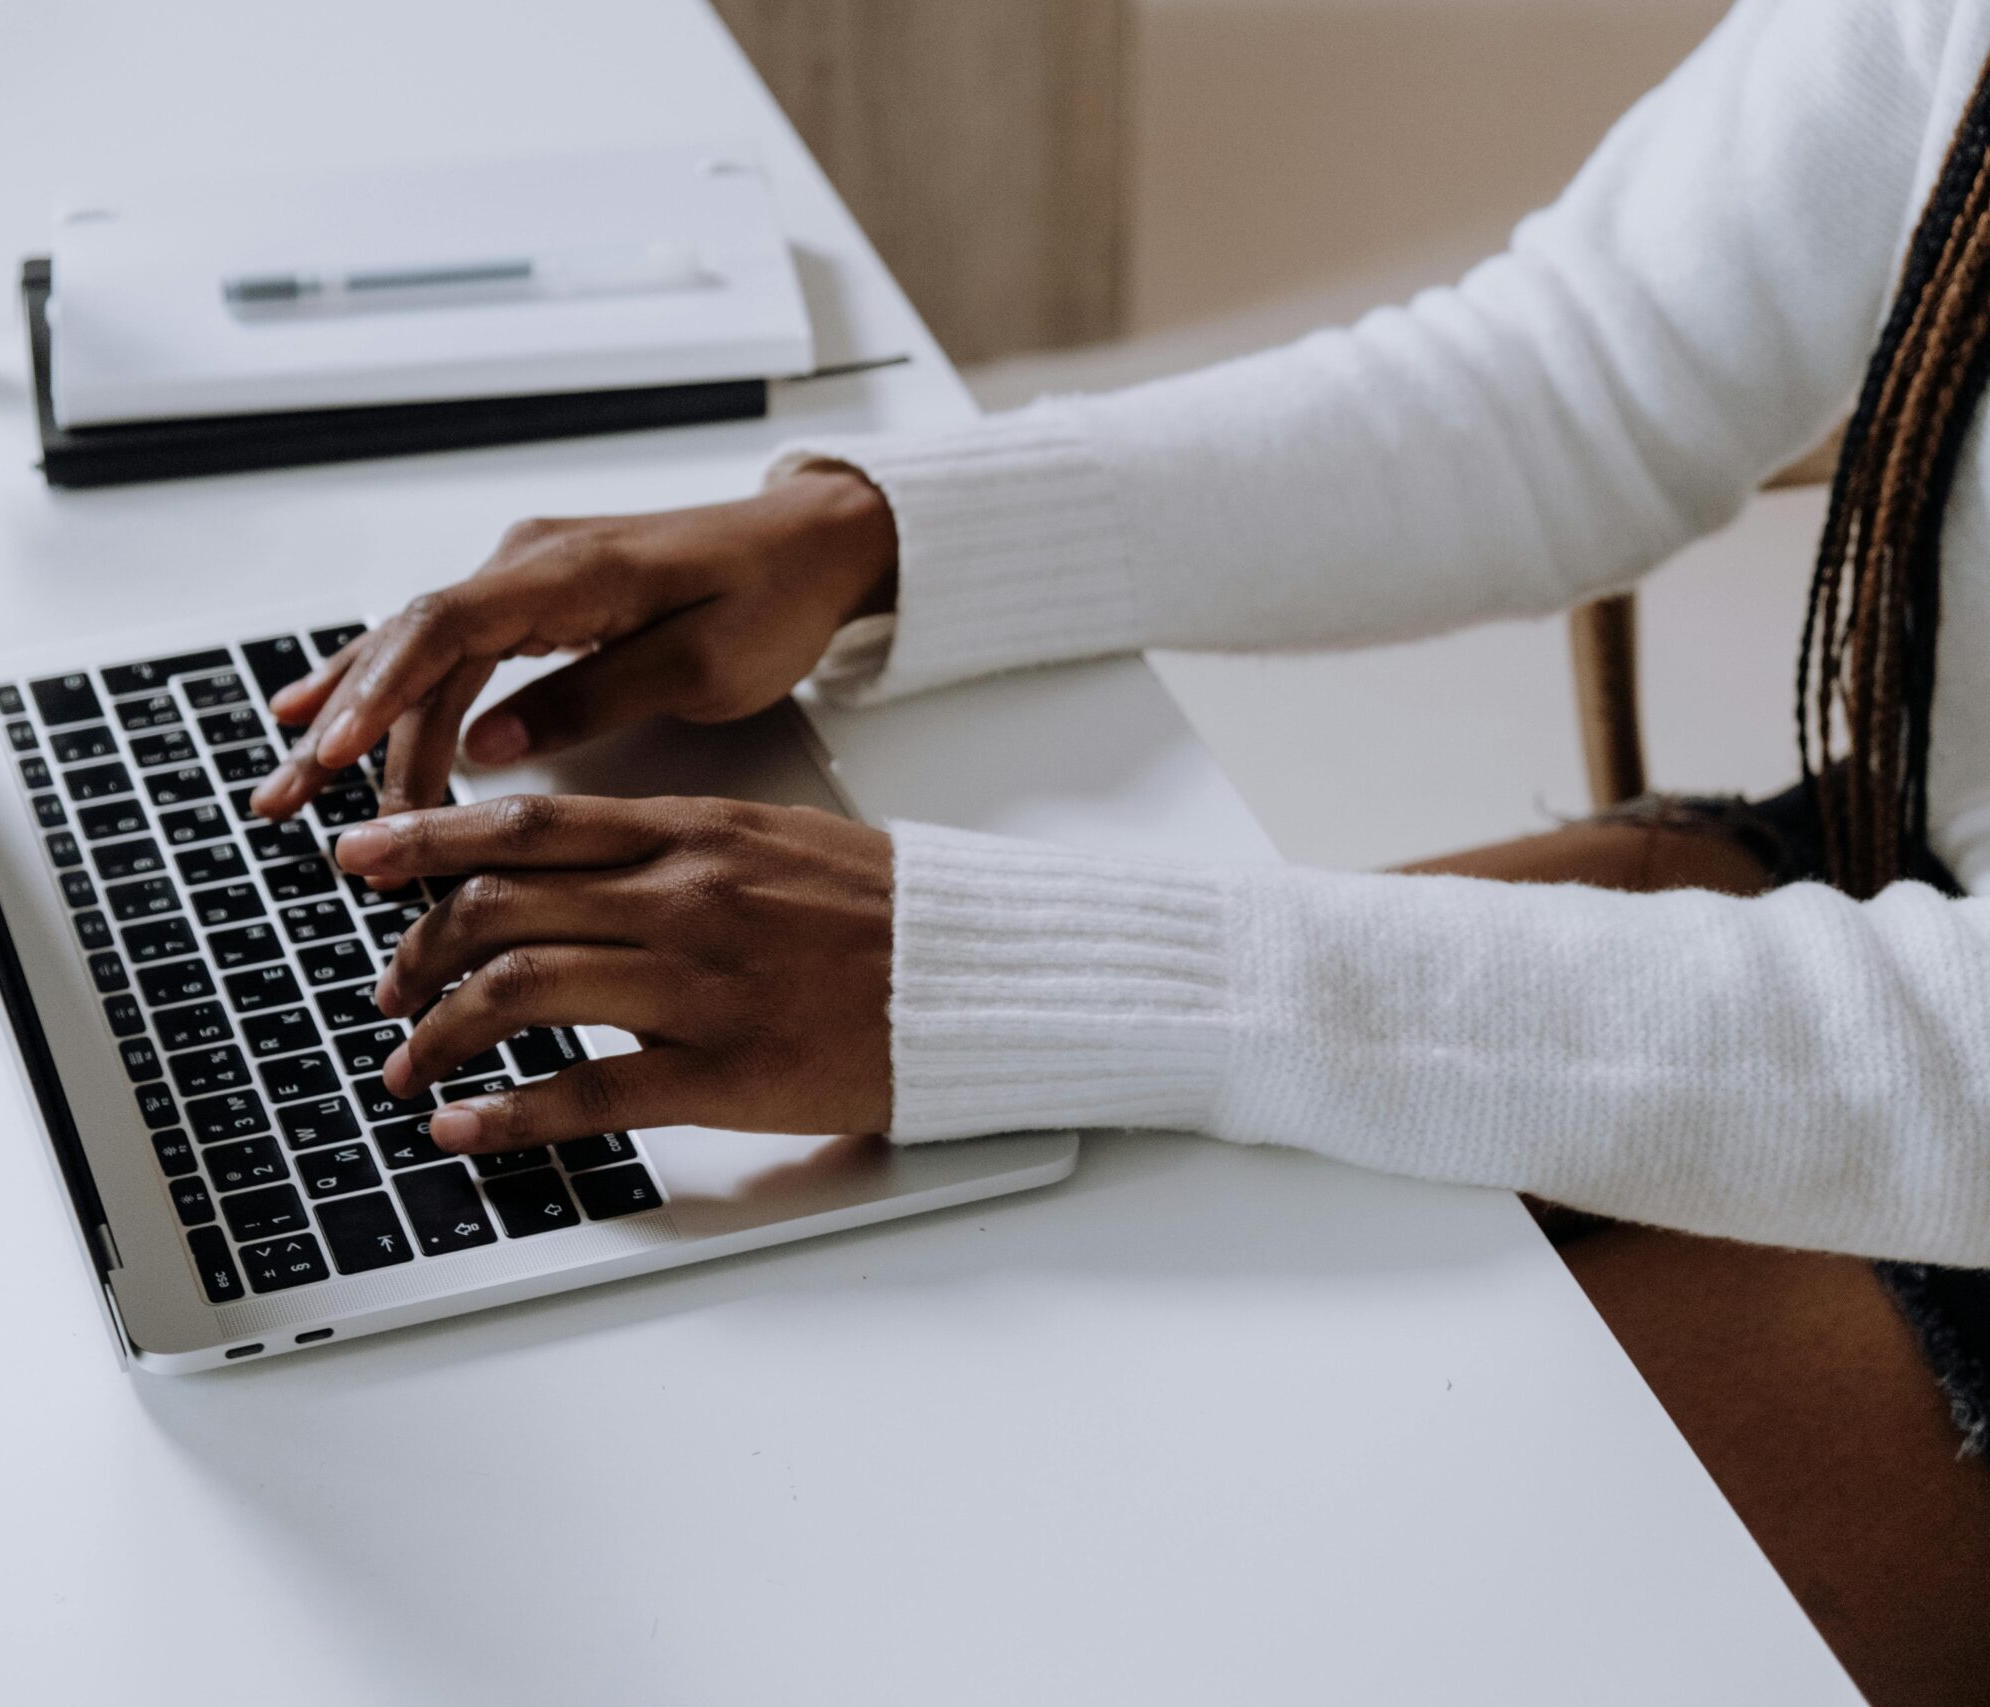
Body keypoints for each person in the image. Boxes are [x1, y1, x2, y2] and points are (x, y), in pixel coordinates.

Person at [254, 3, 1990, 1695]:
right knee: (931, 1365)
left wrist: (1023, 967)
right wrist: (873, 534)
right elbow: (1598, 370)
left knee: (1177, 1581)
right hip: (1897, 877)